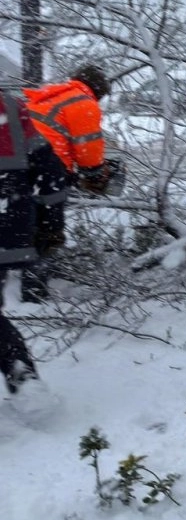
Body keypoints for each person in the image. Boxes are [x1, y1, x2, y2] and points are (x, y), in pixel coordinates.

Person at [20, 64, 113, 301]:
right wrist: (95, 176)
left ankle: (29, 273)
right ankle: (34, 291)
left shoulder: (50, 96)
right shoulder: (83, 102)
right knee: (46, 227)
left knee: (19, 220)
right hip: (43, 165)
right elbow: (88, 150)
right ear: (98, 90)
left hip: (13, 162)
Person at [0, 87, 68, 396]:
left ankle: (23, 378)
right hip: (8, 229)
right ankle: (22, 377)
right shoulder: (13, 109)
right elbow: (50, 172)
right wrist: (51, 226)